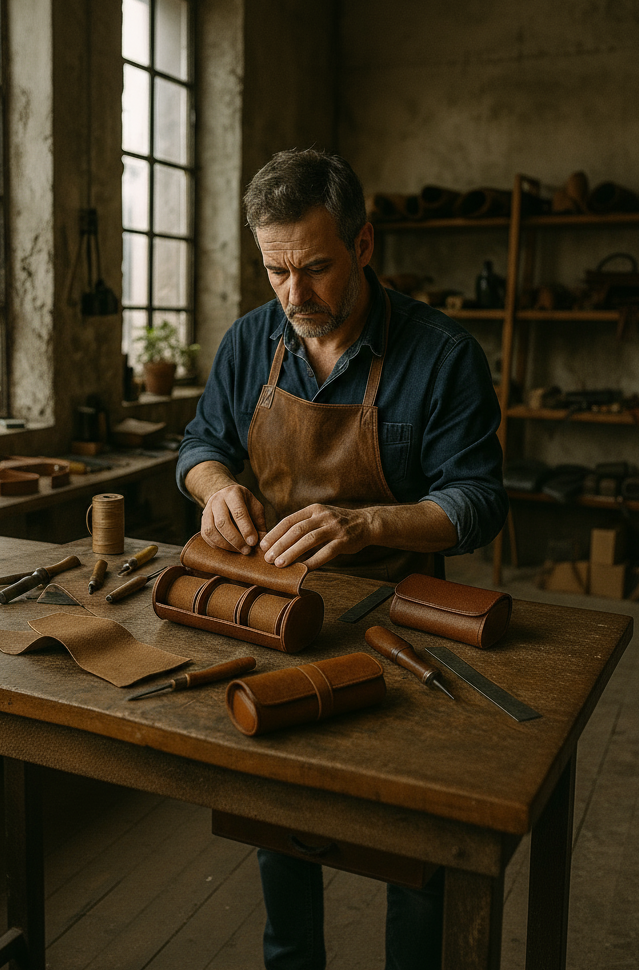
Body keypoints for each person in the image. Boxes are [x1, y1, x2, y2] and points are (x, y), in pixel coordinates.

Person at [177, 149, 508, 970]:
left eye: (316, 268)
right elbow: (200, 444)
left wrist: (366, 527)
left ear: (363, 246)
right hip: (281, 615)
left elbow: (477, 503)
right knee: (281, 827)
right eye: (276, 272)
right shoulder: (253, 340)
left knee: (411, 842)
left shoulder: (443, 354)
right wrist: (215, 488)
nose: (296, 297)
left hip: (406, 621)